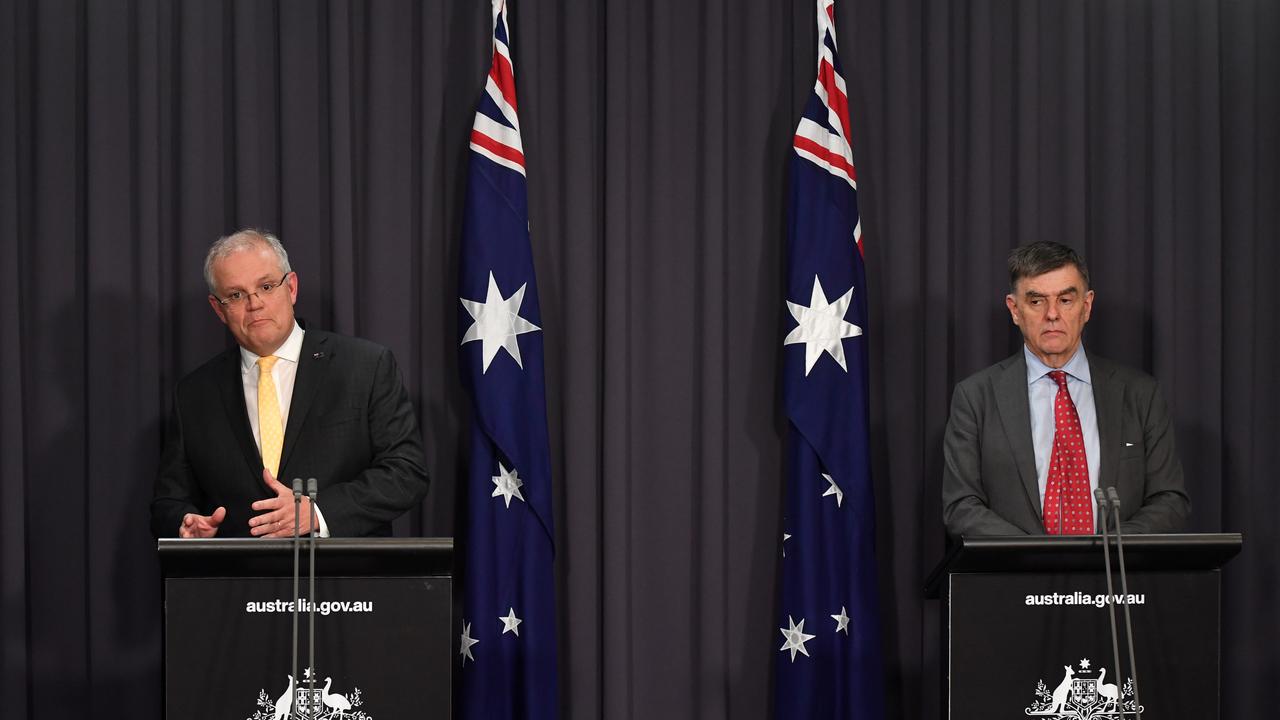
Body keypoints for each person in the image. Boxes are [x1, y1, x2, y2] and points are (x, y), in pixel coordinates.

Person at [151, 229, 429, 538]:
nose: (254, 304)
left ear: (291, 288)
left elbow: (406, 473)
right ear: (219, 309)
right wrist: (185, 523)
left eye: (266, 286)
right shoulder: (194, 393)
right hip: (238, 581)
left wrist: (319, 512)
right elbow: (169, 501)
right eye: (236, 295)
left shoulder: (364, 367)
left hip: (343, 577)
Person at [942, 241, 1190, 537]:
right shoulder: (975, 397)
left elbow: (1169, 501)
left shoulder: (1140, 394)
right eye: (1036, 301)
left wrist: (1105, 552)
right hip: (1017, 578)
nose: (1052, 314)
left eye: (1065, 300)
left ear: (1086, 307)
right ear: (1014, 309)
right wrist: (1040, 557)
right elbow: (961, 506)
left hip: (1114, 578)